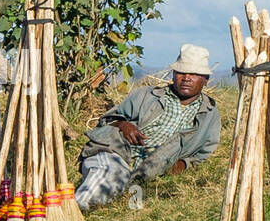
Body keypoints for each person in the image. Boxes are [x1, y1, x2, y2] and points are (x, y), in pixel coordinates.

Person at [74, 44, 221, 210]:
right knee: (103, 180)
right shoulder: (147, 95)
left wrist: (182, 164)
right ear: (173, 75)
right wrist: (124, 125)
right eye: (181, 72)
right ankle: (69, 213)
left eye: (194, 74)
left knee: (123, 200)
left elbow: (204, 152)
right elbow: (107, 119)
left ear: (205, 80)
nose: (186, 78)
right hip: (116, 152)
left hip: (149, 171)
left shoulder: (208, 113)